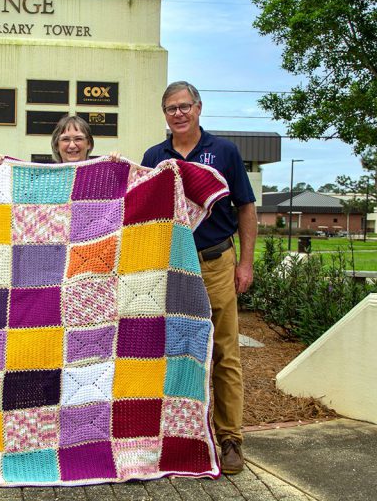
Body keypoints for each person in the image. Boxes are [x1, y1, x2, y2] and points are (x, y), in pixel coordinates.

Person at [141, 81, 257, 475]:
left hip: (216, 262)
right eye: (171, 108)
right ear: (164, 114)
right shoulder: (155, 157)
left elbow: (245, 207)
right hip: (172, 267)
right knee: (172, 352)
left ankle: (230, 439)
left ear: (198, 108)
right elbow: (144, 212)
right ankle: (174, 435)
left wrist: (245, 263)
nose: (178, 113)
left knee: (225, 353)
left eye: (184, 106)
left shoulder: (224, 151)